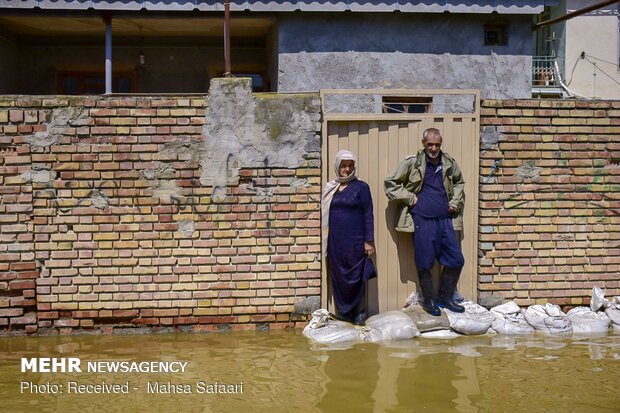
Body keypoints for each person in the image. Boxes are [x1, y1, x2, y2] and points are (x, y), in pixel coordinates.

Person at [384, 128, 465, 316]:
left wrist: (455, 202)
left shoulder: (449, 163)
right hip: (422, 220)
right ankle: (428, 301)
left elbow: (460, 183)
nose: (434, 148)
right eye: (430, 144)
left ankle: (445, 298)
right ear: (423, 143)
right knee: (425, 262)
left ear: (441, 143)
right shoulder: (412, 162)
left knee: (456, 260)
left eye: (437, 144)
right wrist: (409, 198)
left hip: (446, 220)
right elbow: (391, 183)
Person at [322, 150, 376, 325]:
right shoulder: (332, 188)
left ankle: (359, 312)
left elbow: (368, 214)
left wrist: (368, 241)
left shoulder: (361, 187)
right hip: (336, 242)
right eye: (343, 166)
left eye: (350, 166)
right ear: (338, 167)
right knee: (339, 276)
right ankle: (344, 312)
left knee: (356, 276)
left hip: (356, 241)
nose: (346, 169)